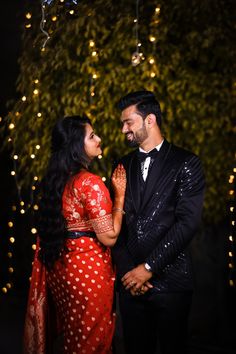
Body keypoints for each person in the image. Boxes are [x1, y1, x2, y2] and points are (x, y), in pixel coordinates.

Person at [112, 90, 205, 354]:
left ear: (150, 120)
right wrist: (130, 272)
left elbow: (187, 223)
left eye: (128, 122)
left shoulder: (187, 162)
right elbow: (115, 222)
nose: (123, 129)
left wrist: (149, 268)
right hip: (131, 285)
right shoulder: (121, 165)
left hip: (172, 284)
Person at [23, 115, 126, 354]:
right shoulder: (89, 183)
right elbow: (109, 237)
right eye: (92, 136)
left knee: (74, 337)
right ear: (75, 147)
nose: (99, 139)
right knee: (91, 341)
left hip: (62, 271)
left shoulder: (57, 181)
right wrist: (119, 196)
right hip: (87, 275)